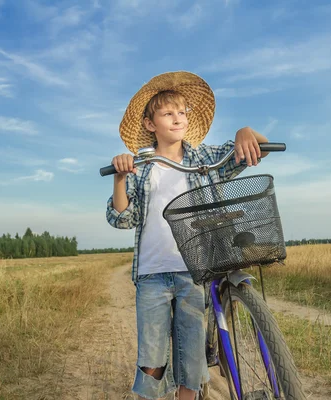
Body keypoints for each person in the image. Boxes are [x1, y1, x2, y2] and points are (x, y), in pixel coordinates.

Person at [106, 71, 270, 400]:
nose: (177, 118)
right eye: (168, 113)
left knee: (192, 361)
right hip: (152, 273)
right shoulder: (142, 165)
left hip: (194, 270)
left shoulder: (204, 160)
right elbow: (123, 219)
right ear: (151, 124)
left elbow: (259, 148)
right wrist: (120, 178)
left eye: (182, 112)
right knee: (153, 361)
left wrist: (245, 132)